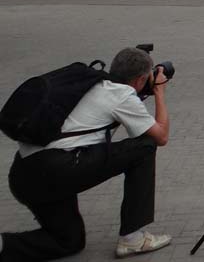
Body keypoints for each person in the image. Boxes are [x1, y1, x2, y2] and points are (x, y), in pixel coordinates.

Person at [1, 47, 171, 260]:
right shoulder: (120, 95)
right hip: (56, 169)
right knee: (145, 146)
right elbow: (161, 136)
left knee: (68, 241)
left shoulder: (90, 84)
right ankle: (132, 238)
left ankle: (2, 245)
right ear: (140, 80)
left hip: (24, 176)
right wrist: (159, 92)